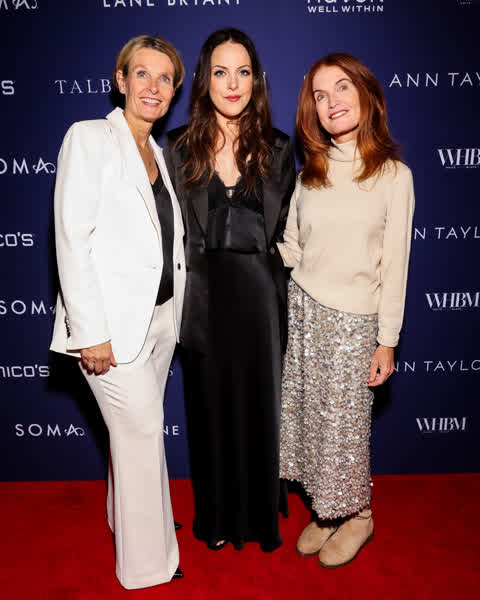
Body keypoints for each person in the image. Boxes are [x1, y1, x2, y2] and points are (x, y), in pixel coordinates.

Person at [50, 35, 186, 589]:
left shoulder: (159, 153)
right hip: (109, 328)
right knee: (142, 434)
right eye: (142, 74)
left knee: (135, 438)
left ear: (174, 90)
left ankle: (131, 521)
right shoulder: (89, 138)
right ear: (121, 80)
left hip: (159, 320)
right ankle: (148, 567)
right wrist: (90, 331)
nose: (153, 86)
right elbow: (71, 239)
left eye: (165, 78)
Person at [278, 53, 414, 568]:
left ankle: (359, 515)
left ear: (366, 94)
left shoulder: (394, 176)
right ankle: (327, 509)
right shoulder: (307, 175)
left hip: (354, 323)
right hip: (303, 313)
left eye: (341, 88)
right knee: (310, 423)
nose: (331, 102)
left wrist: (387, 340)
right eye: (319, 95)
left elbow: (395, 265)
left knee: (344, 428)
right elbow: (293, 247)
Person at [163, 28, 296, 552]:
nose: (233, 83)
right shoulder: (177, 147)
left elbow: (287, 234)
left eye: (243, 72)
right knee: (209, 409)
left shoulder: (279, 147)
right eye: (221, 72)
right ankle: (216, 516)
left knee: (261, 408)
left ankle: (259, 518)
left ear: (256, 80)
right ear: (204, 79)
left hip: (261, 300)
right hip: (203, 299)